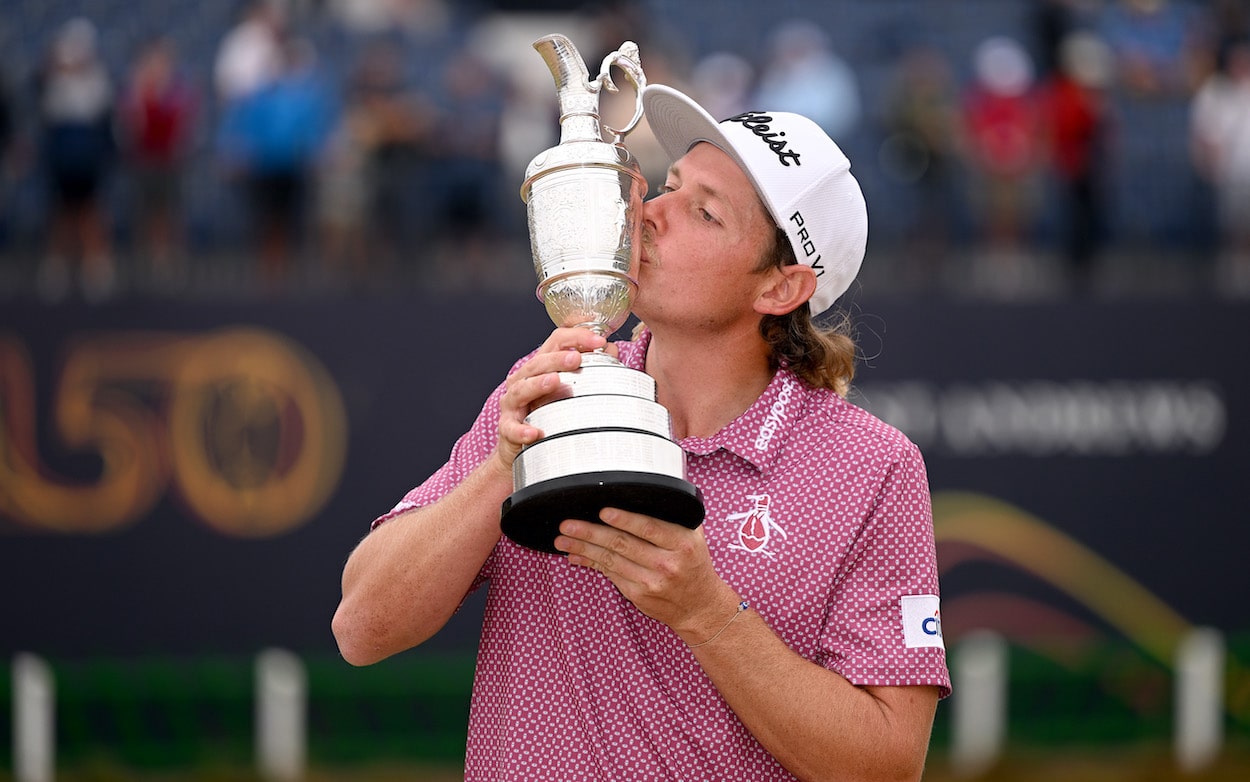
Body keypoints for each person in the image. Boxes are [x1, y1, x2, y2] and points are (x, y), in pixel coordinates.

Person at [333, 82, 950, 781]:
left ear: (780, 288)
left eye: (704, 213)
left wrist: (709, 614)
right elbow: (360, 628)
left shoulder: (871, 466)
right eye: (667, 185)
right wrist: (505, 465)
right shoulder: (549, 386)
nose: (650, 214)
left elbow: (887, 765)